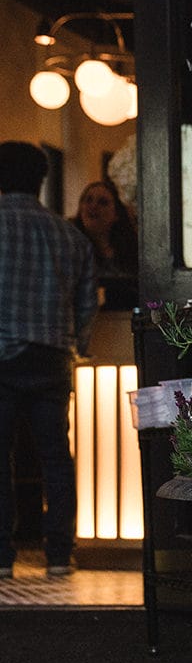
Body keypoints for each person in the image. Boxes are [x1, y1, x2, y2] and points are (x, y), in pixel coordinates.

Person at [0, 142, 97, 579]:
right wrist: (76, 344)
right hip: (52, 357)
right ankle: (59, 555)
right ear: (41, 181)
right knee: (56, 457)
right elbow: (86, 307)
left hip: (2, 356)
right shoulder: (69, 235)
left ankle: (2, 558)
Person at [71, 179, 139, 309]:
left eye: (103, 202)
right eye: (88, 200)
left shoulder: (131, 251)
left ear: (116, 214)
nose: (93, 206)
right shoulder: (72, 249)